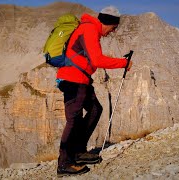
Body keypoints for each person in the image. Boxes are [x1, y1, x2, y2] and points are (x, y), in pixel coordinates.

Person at [56, 6, 133, 177]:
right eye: (113, 28)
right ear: (108, 22)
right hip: (72, 80)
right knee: (73, 120)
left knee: (95, 109)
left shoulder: (91, 30)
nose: (112, 32)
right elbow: (97, 60)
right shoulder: (89, 29)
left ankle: (78, 151)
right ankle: (64, 164)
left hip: (81, 80)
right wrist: (123, 63)